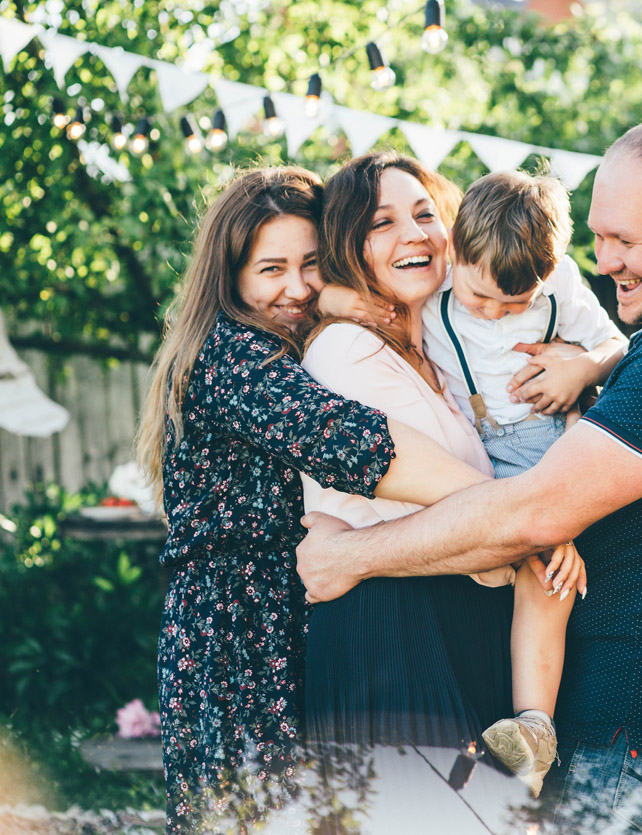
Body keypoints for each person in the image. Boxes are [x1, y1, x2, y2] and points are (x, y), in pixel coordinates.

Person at [296, 119, 642, 833]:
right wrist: (335, 298)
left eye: (624, 241)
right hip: (638, 714)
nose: (603, 262)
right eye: (597, 237)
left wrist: (345, 554)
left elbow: (533, 512)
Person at [135, 166, 510, 833]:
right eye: (271, 268)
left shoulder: (297, 338)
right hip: (236, 637)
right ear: (233, 278)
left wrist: (336, 297)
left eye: (312, 264)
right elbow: (357, 443)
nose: (296, 287)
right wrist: (513, 515)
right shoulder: (231, 356)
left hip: (294, 617)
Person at [320, 167, 625, 796]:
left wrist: (579, 369)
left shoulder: (426, 328)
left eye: (425, 212)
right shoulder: (348, 350)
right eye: (382, 222)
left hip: (463, 609)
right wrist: (541, 521)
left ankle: (533, 727)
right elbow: (421, 479)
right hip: (395, 635)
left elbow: (610, 346)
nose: (415, 233)